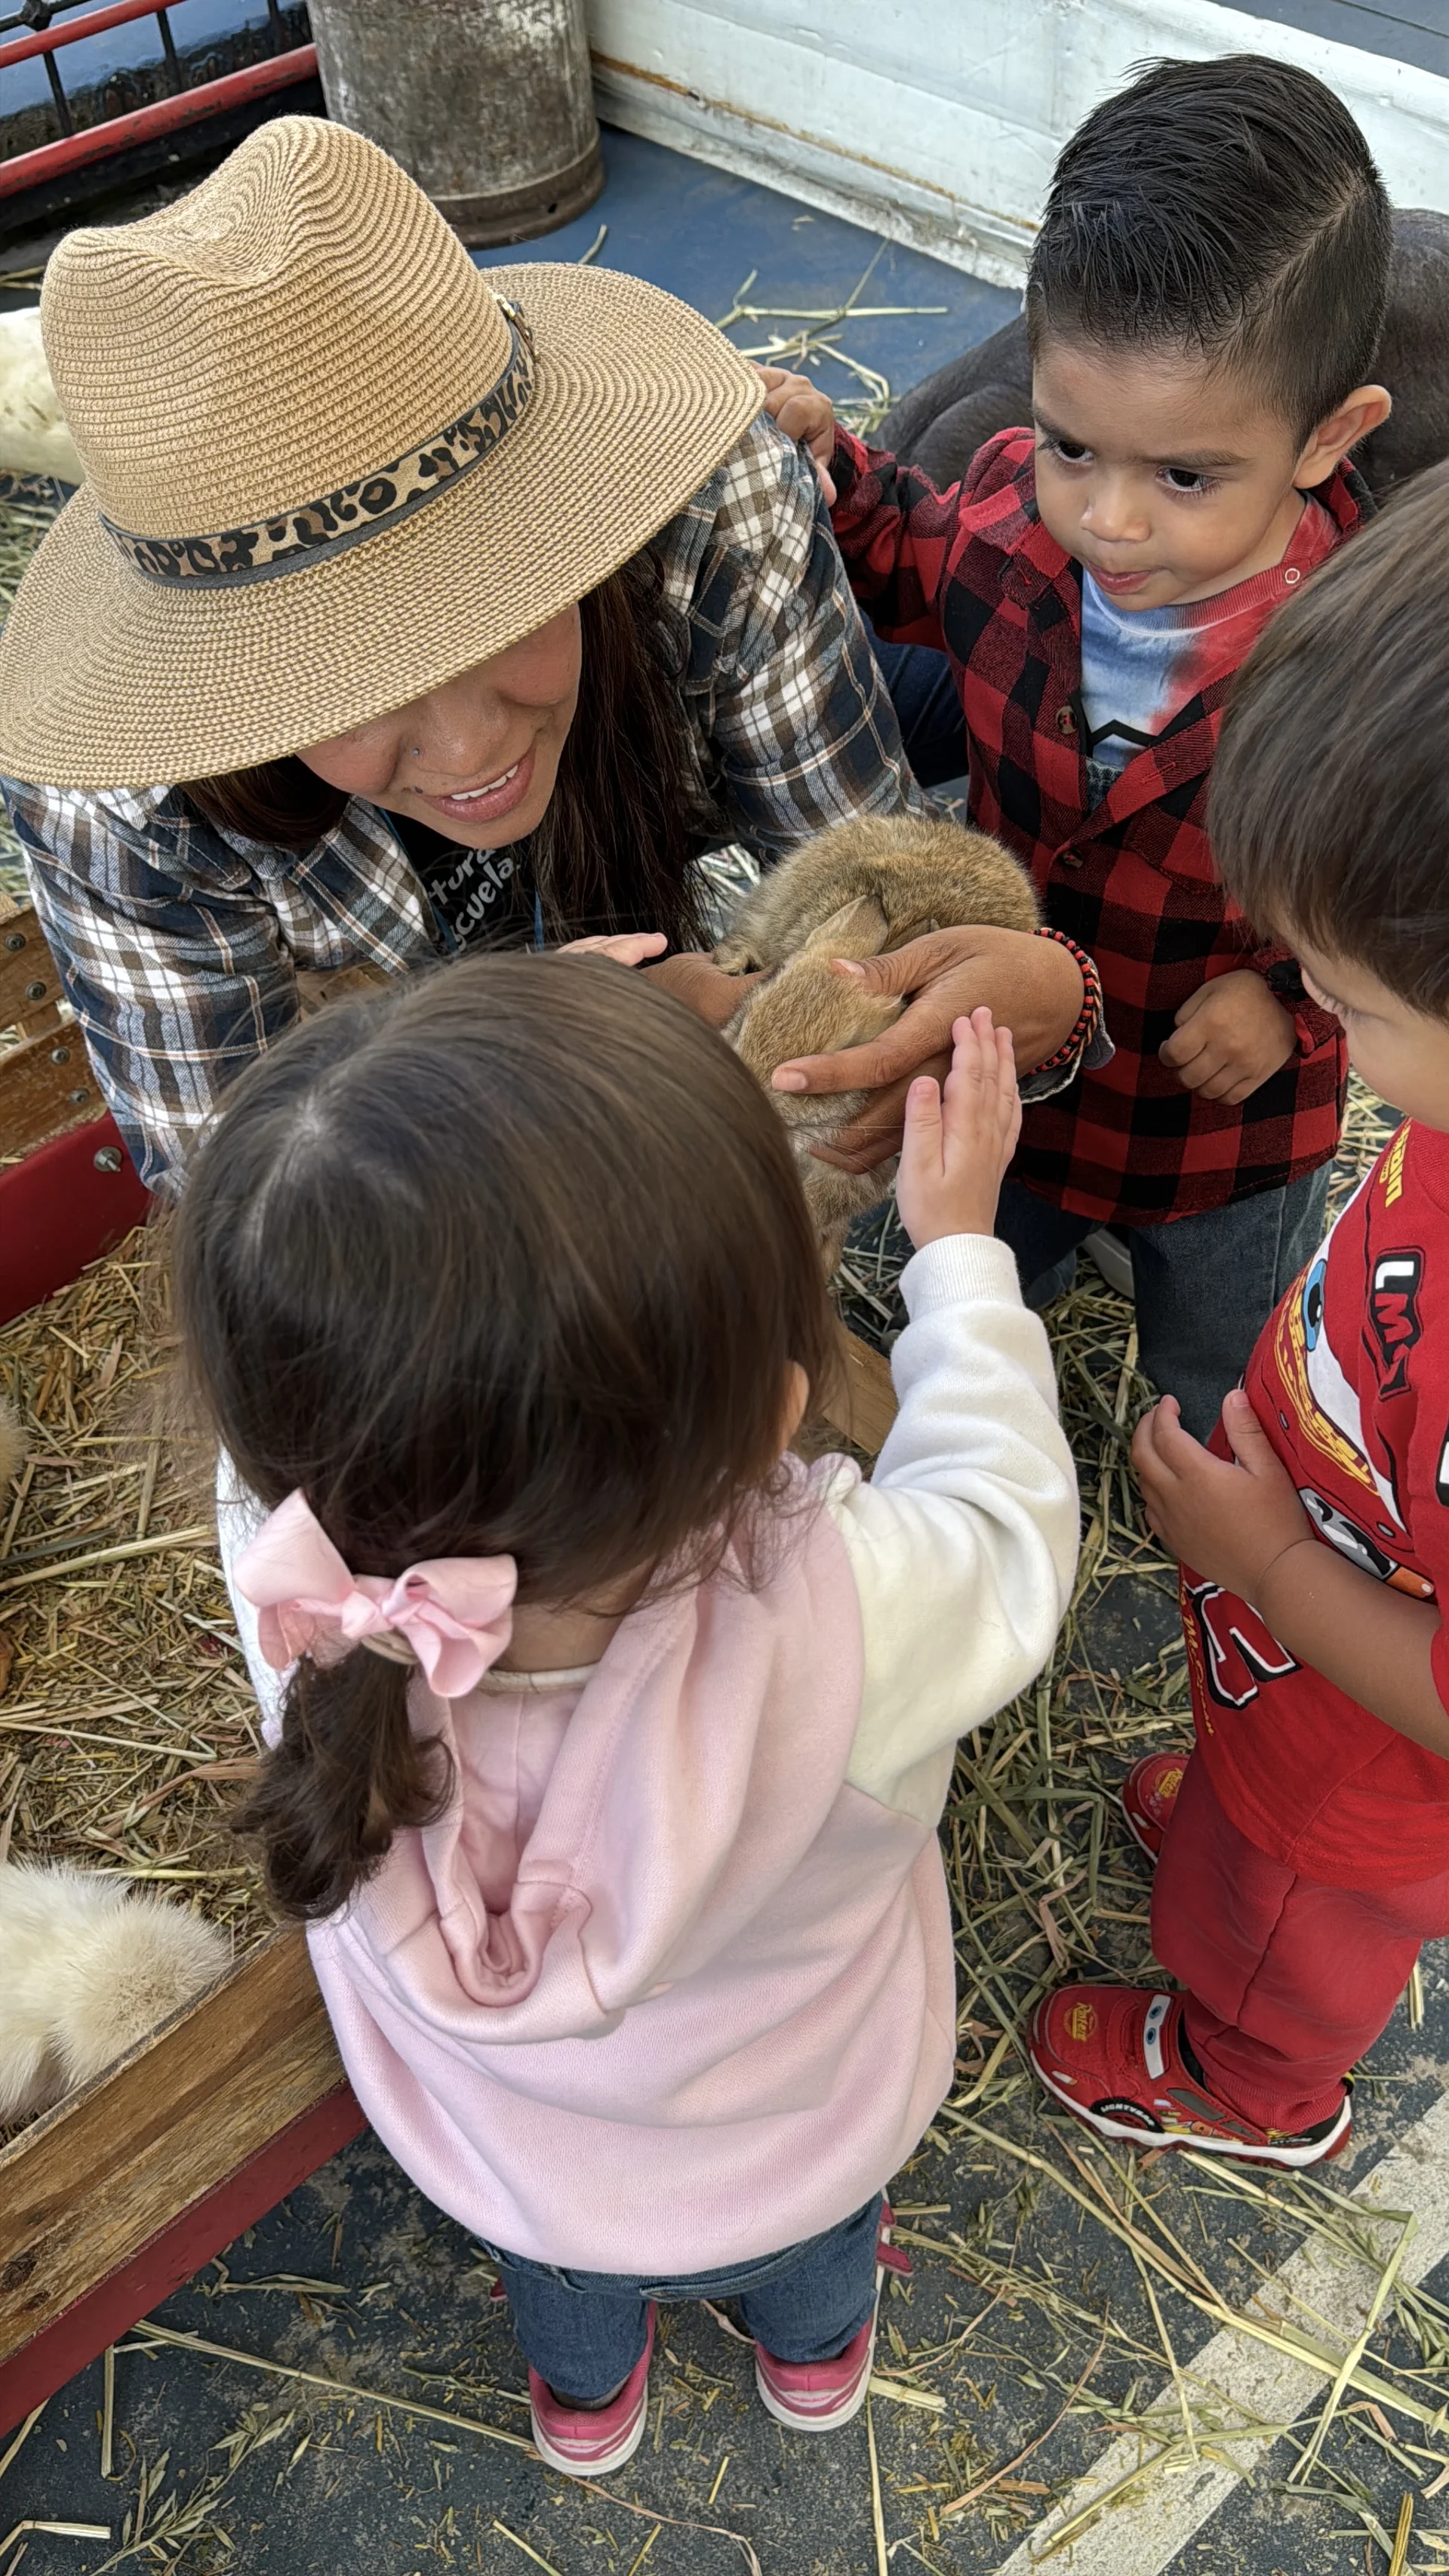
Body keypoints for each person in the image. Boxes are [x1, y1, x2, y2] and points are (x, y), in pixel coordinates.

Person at [177, 953, 1078, 2473]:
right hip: (803, 2138)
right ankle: (815, 2356)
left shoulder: (307, 1597)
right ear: (776, 1421)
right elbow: (1008, 1521)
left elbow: (288, 1427)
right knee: (817, 2254)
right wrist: (960, 1259)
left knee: (572, 2293)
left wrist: (470, 1081)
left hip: (525, 2173)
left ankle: (585, 2402)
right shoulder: (847, 1609)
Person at [0, 115, 1093, 1199]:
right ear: (228, 691)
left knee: (1031, 649)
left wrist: (1001, 995)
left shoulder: (720, 508)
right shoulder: (119, 808)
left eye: (509, 611)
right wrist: (513, 1084)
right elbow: (245, 1201)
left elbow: (869, 873)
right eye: (343, 693)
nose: (472, 746)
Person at [761, 54, 1394, 1437]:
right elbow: (908, 555)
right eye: (1069, 444)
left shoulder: (1365, 672)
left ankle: (1223, 1473)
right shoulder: (1007, 524)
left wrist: (1289, 1004)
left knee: (1220, 1366)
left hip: (1217, 1124)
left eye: (1182, 476)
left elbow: (1402, 899)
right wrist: (836, 475)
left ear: (1326, 436)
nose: (1108, 521)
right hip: (1011, 1082)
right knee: (950, 1272)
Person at [1029, 464, 1449, 2168]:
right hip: (1300, 1668)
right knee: (1238, 1825)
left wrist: (1267, 1556)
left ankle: (1245, 2074)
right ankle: (1225, 1818)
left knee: (1279, 1928)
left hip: (1364, 1777)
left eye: (1345, 997)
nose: (1327, 1029)